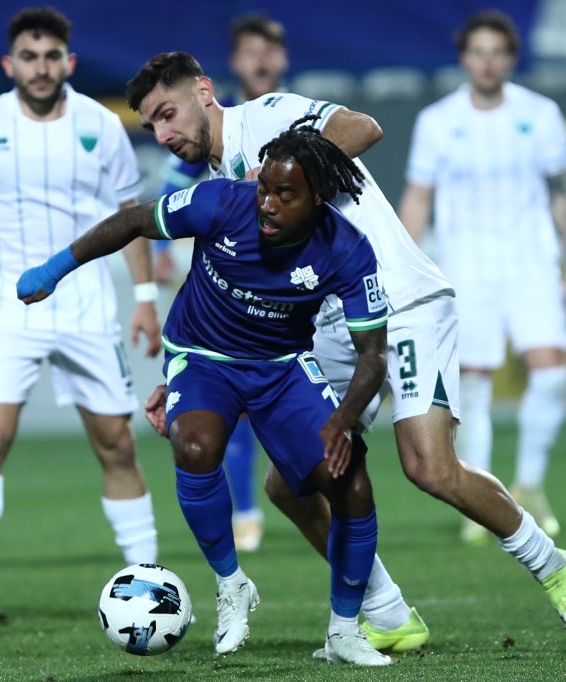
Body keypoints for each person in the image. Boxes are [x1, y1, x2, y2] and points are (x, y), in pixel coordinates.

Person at [127, 51, 566, 650]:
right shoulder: (220, 185)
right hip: (332, 326)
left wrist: (293, 175)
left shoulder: (266, 118)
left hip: (402, 304)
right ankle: (386, 611)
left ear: (203, 91)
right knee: (289, 484)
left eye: (167, 113)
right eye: (152, 125)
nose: (163, 134)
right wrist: (192, 373)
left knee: (429, 467)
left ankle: (555, 567)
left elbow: (362, 127)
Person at [19, 121, 396, 666]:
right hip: (201, 356)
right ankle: (231, 583)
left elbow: (373, 356)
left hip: (281, 367)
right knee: (194, 447)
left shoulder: (348, 249)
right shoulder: (221, 202)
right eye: (264, 188)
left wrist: (342, 419)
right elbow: (133, 220)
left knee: (352, 485)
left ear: (318, 197)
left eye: (284, 195)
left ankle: (344, 631)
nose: (267, 204)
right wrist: (56, 269)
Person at [0, 7, 161, 624]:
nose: (41, 68)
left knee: (118, 445)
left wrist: (146, 298)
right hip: (5, 306)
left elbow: (129, 217)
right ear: (9, 64)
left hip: (85, 304)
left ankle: (149, 580)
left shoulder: (101, 124)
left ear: (69, 62)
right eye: (29, 56)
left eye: (51, 57)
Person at [398, 10, 566, 543]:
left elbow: (562, 195)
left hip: (531, 263)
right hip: (466, 268)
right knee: (474, 385)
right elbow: (418, 198)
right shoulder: (438, 121)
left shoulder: (540, 114)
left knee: (552, 371)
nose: (487, 62)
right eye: (478, 52)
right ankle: (480, 500)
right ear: (465, 58)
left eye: (497, 52)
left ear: (511, 58)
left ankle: (529, 485)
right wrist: (405, 271)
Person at [153, 13, 290, 554]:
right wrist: (161, 251)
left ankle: (310, 498)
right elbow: (172, 185)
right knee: (235, 391)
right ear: (234, 63)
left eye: (269, 50)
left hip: (298, 285)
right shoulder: (212, 121)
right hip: (234, 280)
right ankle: (247, 510)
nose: (261, 59)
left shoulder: (290, 113)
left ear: (282, 59)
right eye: (250, 50)